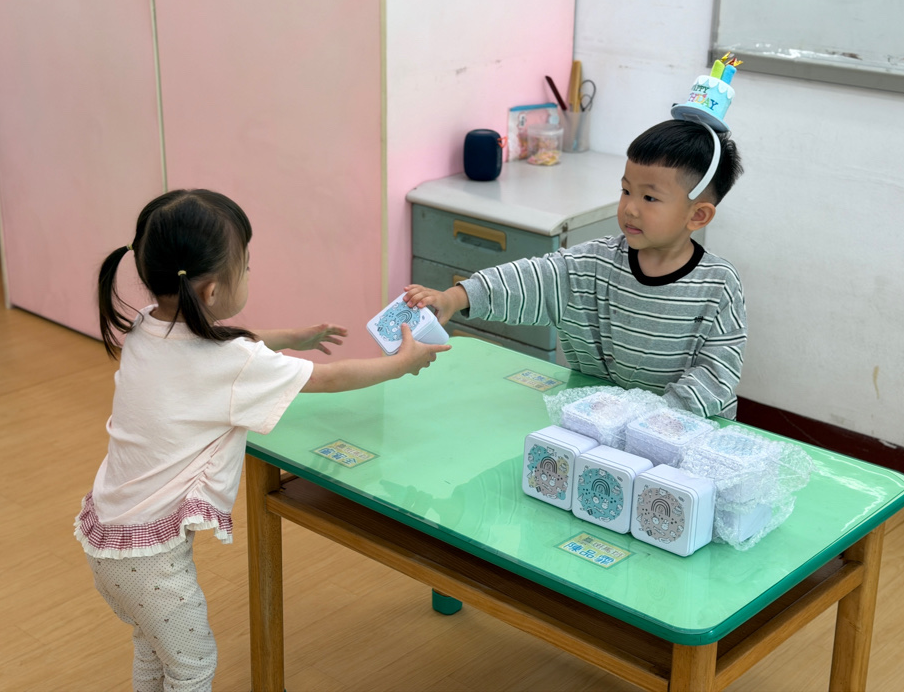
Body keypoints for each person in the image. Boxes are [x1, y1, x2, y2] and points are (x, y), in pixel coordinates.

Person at [75, 189, 449, 691]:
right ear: (212, 291)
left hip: (107, 536)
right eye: (246, 267)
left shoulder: (146, 327)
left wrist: (290, 337)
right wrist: (401, 364)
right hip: (152, 562)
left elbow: (221, 345)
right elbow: (328, 378)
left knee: (153, 648)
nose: (250, 273)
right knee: (192, 668)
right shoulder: (231, 364)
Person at [405, 119, 745, 418]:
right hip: (597, 423)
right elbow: (531, 280)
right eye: (626, 190)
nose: (629, 208)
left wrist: (656, 419)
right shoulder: (592, 264)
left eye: (649, 198)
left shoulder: (718, 284)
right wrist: (455, 298)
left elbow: (718, 373)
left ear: (698, 215)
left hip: (680, 435)